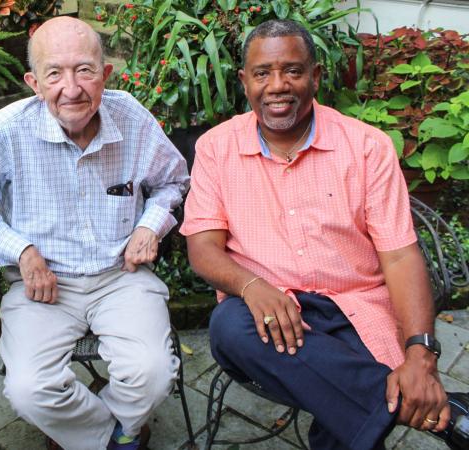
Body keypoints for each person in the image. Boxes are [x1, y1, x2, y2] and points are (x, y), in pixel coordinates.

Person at [181, 19, 469, 449]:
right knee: (229, 325)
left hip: (356, 307)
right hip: (265, 312)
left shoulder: (367, 147)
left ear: (315, 77)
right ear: (245, 81)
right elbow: (202, 248)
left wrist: (420, 357)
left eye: (293, 71)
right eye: (263, 73)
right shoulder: (216, 148)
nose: (277, 85)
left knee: (343, 395)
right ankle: (446, 414)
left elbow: (400, 255)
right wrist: (251, 285)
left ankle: (395, 408)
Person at [0, 16, 189, 450]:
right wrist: (20, 250)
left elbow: (173, 182)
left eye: (84, 70)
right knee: (28, 390)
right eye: (54, 73)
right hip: (42, 287)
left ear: (105, 75)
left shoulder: (131, 117)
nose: (71, 88)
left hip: (121, 277)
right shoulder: (6, 129)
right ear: (34, 82)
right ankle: (111, 436)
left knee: (153, 375)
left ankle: (91, 431)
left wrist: (150, 225)